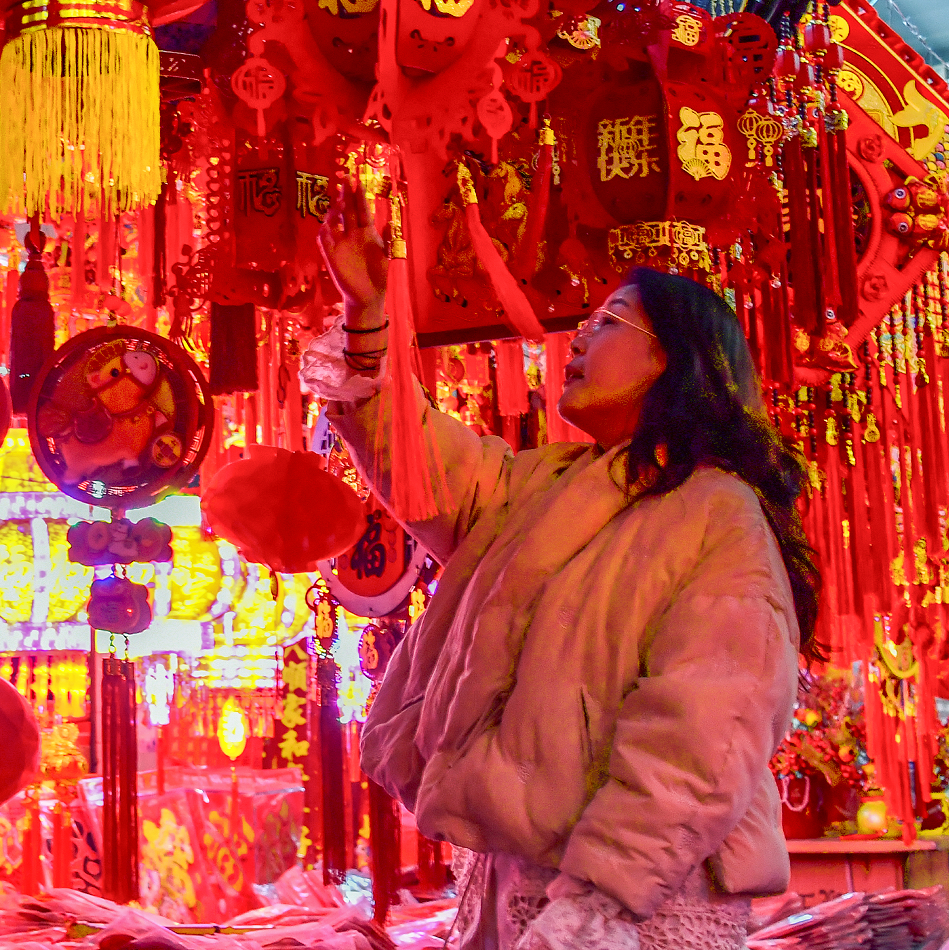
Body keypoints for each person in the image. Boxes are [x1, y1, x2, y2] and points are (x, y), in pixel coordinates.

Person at [301, 181, 822, 950]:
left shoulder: (717, 512)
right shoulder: (543, 485)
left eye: (607, 322)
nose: (577, 340)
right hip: (516, 878)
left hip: (637, 898)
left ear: (672, 359)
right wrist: (368, 311)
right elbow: (416, 463)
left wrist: (600, 901)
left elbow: (707, 730)